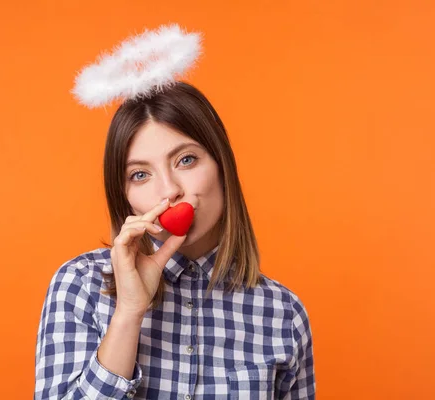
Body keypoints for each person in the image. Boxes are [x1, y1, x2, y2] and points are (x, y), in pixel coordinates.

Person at [35, 25, 315, 400]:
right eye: (140, 174)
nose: (169, 190)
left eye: (186, 160)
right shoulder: (80, 286)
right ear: (125, 196)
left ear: (221, 165)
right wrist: (129, 312)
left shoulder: (283, 314)